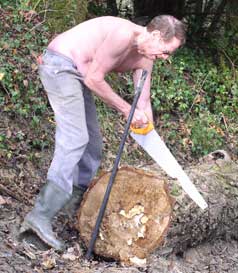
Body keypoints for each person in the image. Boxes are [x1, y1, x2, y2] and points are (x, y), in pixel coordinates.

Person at [20, 15, 186, 251]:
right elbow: (93, 79)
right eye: (166, 51)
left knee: (93, 146)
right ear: (157, 35)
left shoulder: (147, 58)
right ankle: (39, 217)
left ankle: (71, 208)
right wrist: (127, 110)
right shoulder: (123, 34)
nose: (165, 57)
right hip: (61, 65)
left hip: (80, 73)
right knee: (75, 138)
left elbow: (144, 100)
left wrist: (146, 127)